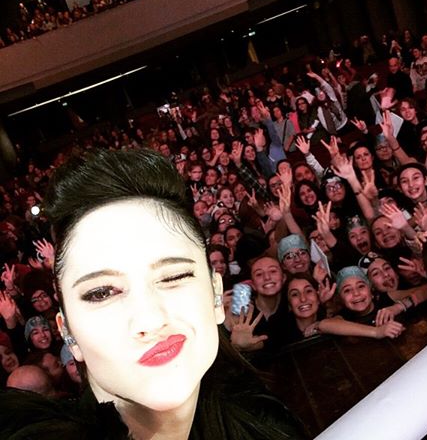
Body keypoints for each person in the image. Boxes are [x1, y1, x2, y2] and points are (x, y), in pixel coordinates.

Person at [0, 149, 306, 439]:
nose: (150, 318)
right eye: (102, 293)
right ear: (68, 332)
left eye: (174, 276)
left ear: (215, 293)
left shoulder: (267, 423)